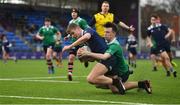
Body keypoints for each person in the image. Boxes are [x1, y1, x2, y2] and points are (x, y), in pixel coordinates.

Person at [78, 22, 152, 94]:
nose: (105, 34)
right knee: (98, 84)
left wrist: (88, 53)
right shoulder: (104, 42)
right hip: (111, 71)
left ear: (114, 33)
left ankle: (137, 84)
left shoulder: (115, 45)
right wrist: (85, 57)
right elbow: (95, 58)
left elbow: (104, 57)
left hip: (121, 72)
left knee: (112, 88)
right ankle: (142, 84)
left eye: (107, 32)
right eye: (104, 32)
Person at [64, 8, 91, 81]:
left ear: (77, 14)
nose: (73, 14)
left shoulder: (81, 21)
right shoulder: (70, 22)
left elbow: (87, 29)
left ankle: (86, 60)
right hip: (74, 43)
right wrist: (67, 36)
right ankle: (70, 73)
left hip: (82, 42)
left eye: (75, 12)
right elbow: (71, 32)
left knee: (82, 56)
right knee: (71, 57)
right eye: (72, 12)